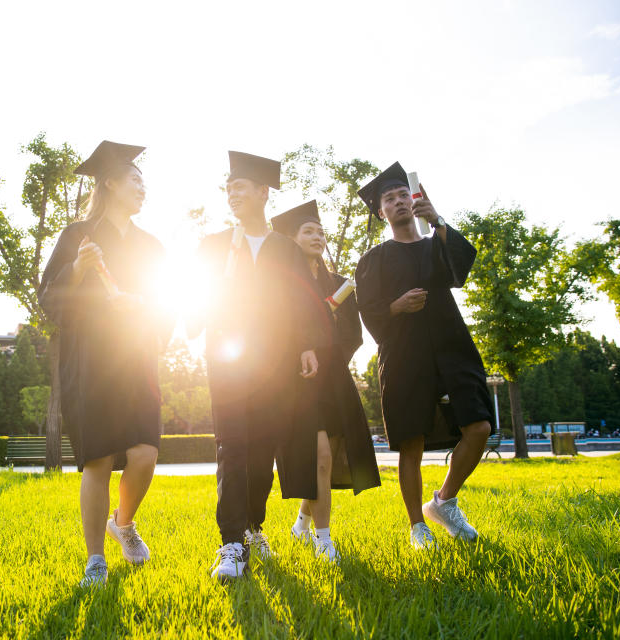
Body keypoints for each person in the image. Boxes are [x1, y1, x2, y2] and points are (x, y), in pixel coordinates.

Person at [39, 141, 172, 586]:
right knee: (97, 460)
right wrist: (76, 268)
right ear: (110, 183)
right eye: (135, 179)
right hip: (91, 360)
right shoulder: (77, 236)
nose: (143, 187)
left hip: (135, 358)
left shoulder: (150, 246)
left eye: (144, 181)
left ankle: (124, 523)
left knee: (145, 454)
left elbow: (165, 304)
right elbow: (48, 301)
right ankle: (95, 560)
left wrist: (143, 307)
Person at [188, 151, 324, 581]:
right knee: (232, 445)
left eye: (240, 187)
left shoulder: (285, 248)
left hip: (275, 361)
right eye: (228, 188)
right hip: (227, 358)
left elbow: (301, 300)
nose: (232, 194)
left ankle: (252, 528)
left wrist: (306, 345)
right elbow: (196, 298)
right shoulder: (213, 245)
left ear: (263, 192)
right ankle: (230, 543)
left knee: (264, 448)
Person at [354, 162, 494, 550]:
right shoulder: (374, 259)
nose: (398, 202)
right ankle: (418, 525)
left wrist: (439, 221)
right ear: (381, 211)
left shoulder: (438, 242)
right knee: (411, 442)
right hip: (403, 353)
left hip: (451, 344)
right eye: (389, 199)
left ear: (416, 200)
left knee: (479, 426)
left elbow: (461, 269)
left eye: (404, 195)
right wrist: (396, 306)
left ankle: (444, 501)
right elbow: (368, 310)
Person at [270, 200, 381, 563]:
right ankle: (323, 539)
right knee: (317, 455)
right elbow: (277, 329)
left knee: (327, 458)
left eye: (320, 231)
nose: (317, 236)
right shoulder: (284, 282)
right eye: (308, 231)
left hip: (333, 378)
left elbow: (354, 335)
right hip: (297, 381)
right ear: (291, 238)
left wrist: (331, 329)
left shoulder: (339, 284)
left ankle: (302, 521)